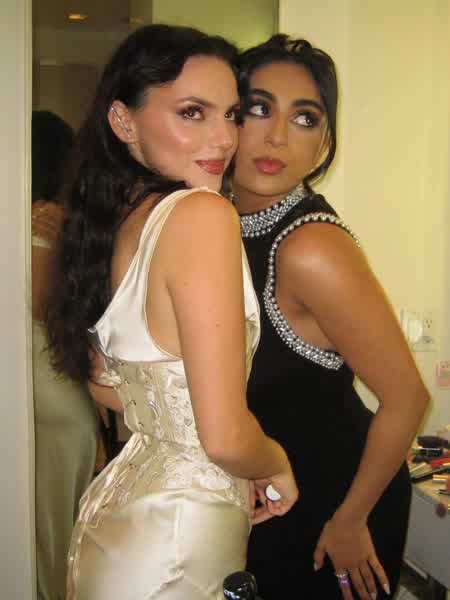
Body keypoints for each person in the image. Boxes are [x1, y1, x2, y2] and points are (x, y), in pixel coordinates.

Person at [44, 25, 299, 600]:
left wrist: (192, 443)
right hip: (175, 536)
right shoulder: (200, 215)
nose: (224, 139)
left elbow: (109, 385)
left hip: (121, 519)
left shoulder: (119, 222)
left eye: (231, 114)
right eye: (192, 113)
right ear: (123, 121)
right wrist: (274, 460)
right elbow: (225, 436)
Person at [229, 35, 429, 600]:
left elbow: (408, 398)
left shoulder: (310, 247)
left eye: (305, 118)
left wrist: (350, 519)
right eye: (258, 108)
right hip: (272, 496)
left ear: (323, 145)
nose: (277, 136)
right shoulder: (216, 220)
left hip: (335, 515)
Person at [31, 110, 98, 600]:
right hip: (54, 391)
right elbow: (57, 313)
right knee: (57, 527)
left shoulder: (38, 225)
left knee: (48, 523)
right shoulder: (46, 229)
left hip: (44, 391)